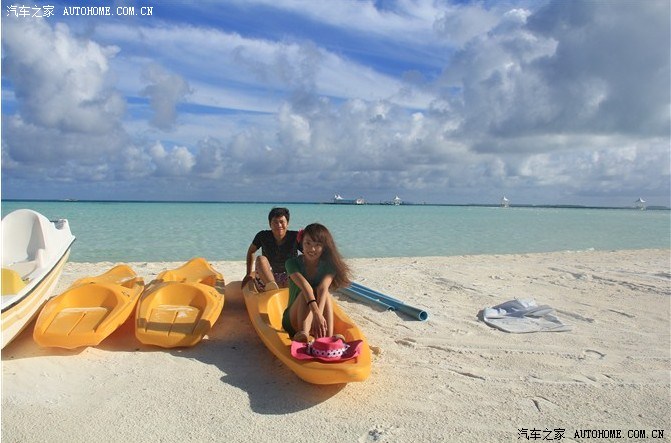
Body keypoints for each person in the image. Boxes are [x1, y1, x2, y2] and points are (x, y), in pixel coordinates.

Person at [282, 223, 351, 341]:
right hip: (293, 320)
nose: (312, 249)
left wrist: (318, 315)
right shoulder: (292, 263)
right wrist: (317, 314)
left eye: (317, 245)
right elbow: (305, 287)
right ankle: (303, 334)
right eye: (308, 243)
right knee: (306, 293)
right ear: (301, 243)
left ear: (324, 247)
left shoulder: (330, 266)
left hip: (316, 317)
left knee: (326, 294)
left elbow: (322, 288)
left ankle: (327, 338)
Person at [242, 207, 300, 292]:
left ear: (287, 223)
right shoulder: (262, 236)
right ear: (270, 224)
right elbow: (251, 251)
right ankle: (272, 287)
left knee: (300, 259)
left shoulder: (295, 237)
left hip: (290, 278)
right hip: (267, 278)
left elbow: (309, 253)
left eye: (282, 222)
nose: (279, 225)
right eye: (275, 222)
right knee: (261, 259)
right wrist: (248, 274)